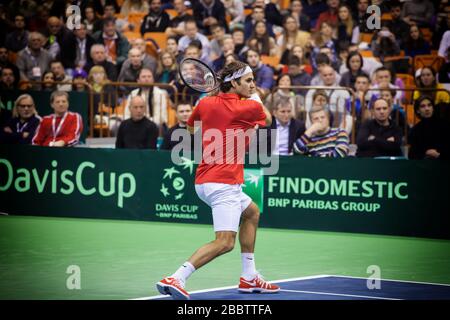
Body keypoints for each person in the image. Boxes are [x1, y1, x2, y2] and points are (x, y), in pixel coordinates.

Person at [156, 61, 278, 300]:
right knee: (225, 242)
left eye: (253, 80)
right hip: (224, 183)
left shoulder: (205, 103)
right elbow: (269, 119)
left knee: (252, 212)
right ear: (233, 83)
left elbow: (191, 130)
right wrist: (252, 98)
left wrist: (221, 125)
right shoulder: (246, 108)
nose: (253, 85)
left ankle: (249, 276)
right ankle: (176, 278)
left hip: (204, 181)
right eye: (249, 80)